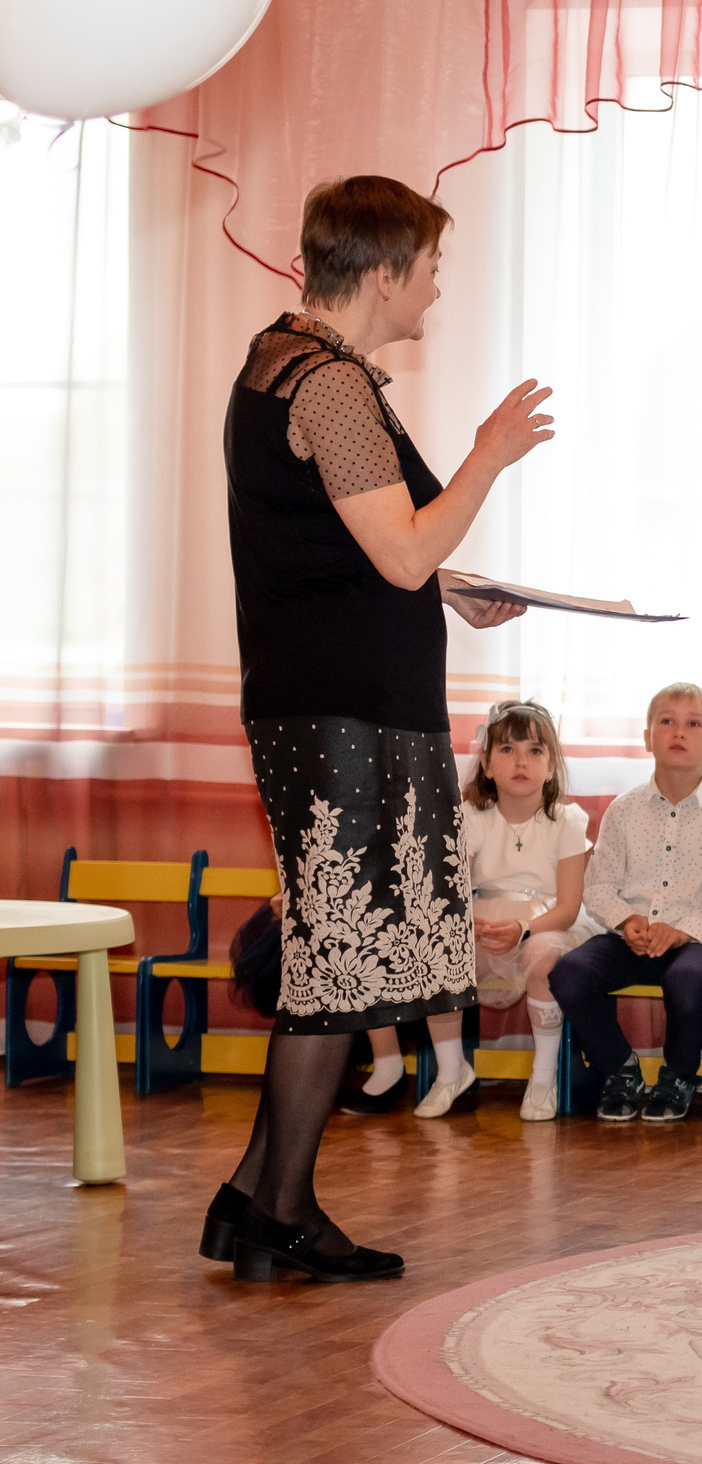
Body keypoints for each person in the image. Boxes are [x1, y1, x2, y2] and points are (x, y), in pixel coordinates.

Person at [209, 175, 552, 1284]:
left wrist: (445, 586)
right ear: (389, 268)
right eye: (434, 266)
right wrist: (487, 459)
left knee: (332, 958)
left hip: (327, 698)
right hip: (341, 713)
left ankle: (254, 1201)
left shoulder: (289, 362)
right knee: (339, 965)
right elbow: (395, 551)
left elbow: (372, 555)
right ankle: (286, 1209)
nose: (438, 287)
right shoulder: (333, 386)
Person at [365, 700, 595, 1122]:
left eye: (535, 751)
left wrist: (524, 927)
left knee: (544, 957)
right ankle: (452, 1070)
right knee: (438, 945)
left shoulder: (567, 821)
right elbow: (450, 889)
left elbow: (567, 907)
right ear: (486, 764)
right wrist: (465, 921)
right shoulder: (470, 817)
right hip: (483, 914)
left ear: (551, 767)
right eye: (507, 750)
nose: (521, 761)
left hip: (543, 921)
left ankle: (542, 1078)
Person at [551, 683, 702, 1123]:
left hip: (692, 940)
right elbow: (598, 885)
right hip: (629, 936)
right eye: (667, 721)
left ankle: (678, 1073)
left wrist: (682, 930)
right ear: (648, 737)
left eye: (693, 724)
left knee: (688, 983)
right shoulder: (624, 811)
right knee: (569, 974)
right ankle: (619, 1068)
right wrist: (627, 920)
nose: (678, 731)